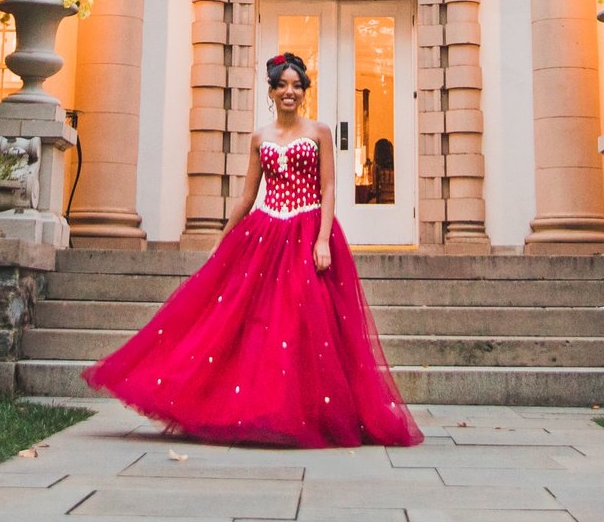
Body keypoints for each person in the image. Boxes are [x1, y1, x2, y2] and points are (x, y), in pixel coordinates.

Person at [84, 52, 423, 447]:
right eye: (282, 86)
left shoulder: (319, 132)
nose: (290, 92)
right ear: (272, 91)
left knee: (305, 322)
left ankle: (310, 415)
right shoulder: (259, 138)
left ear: (304, 91)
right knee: (253, 323)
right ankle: (252, 411)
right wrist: (224, 237)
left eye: (296, 86)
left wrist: (321, 239)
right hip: (266, 233)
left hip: (308, 229)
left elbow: (329, 187)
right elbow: (248, 195)